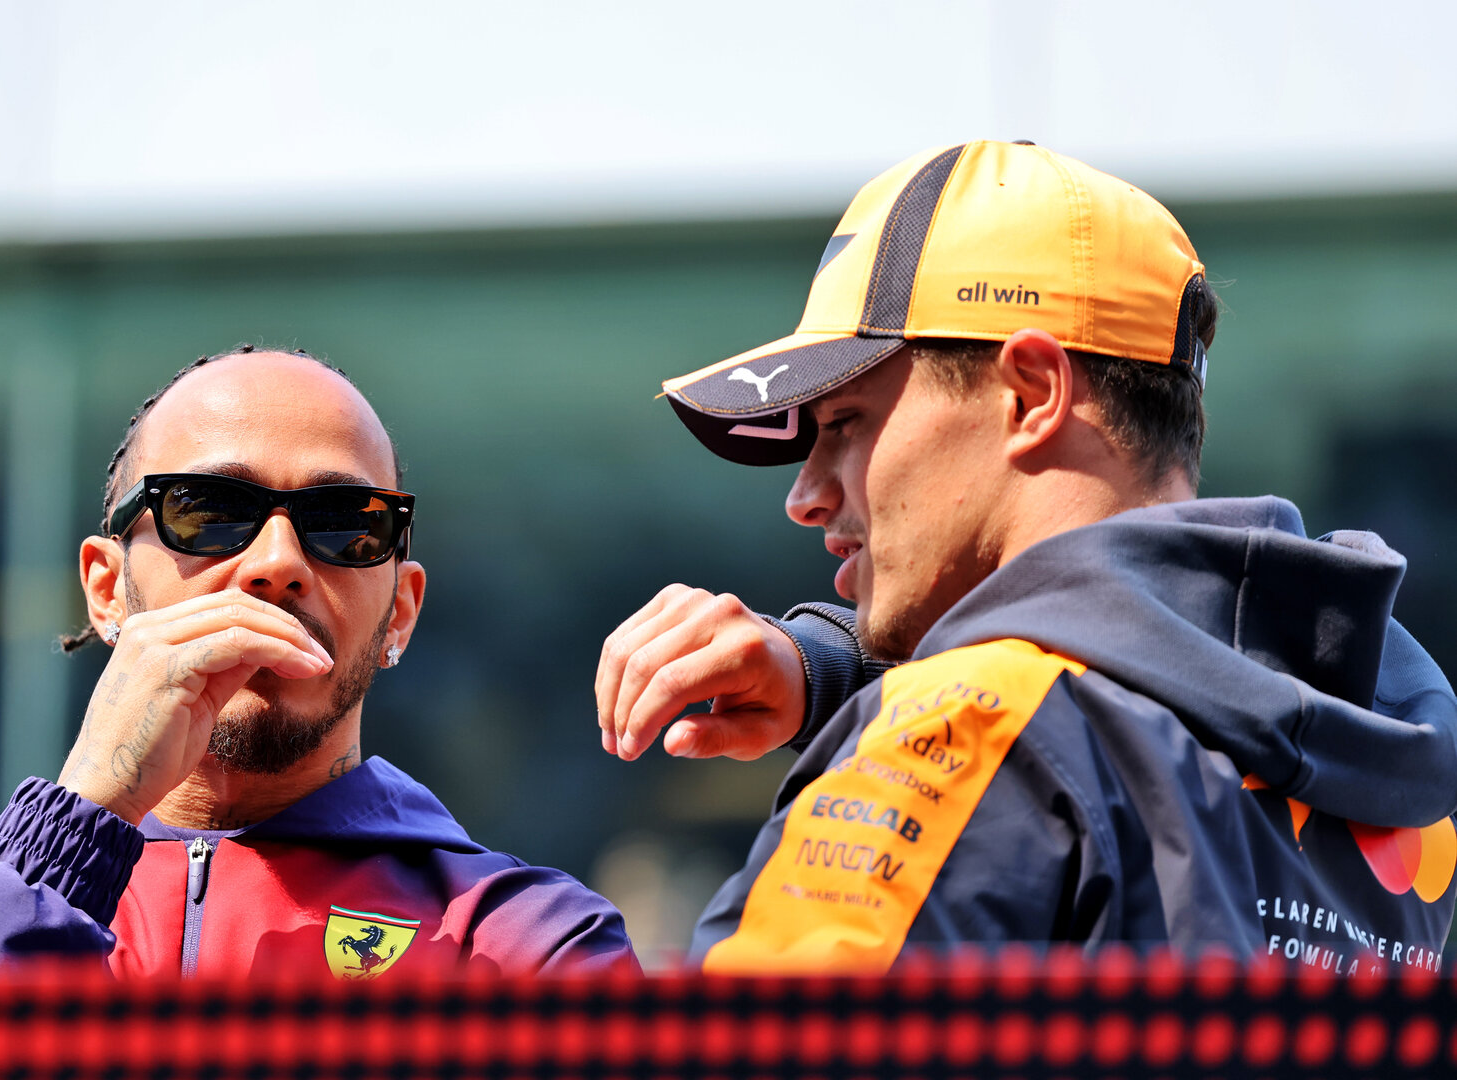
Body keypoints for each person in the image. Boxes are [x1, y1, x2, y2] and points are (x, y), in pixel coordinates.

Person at [596, 141, 1457, 974]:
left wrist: (493, 907)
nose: (806, 494)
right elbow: (1145, 709)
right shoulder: (1392, 774)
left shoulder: (967, 734)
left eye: (846, 424)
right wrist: (846, 678)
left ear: (1032, 395)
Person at [0, 346, 637, 980]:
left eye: (344, 523)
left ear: (399, 611)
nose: (278, 561)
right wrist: (76, 824)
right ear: (107, 588)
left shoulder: (527, 942)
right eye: (209, 510)